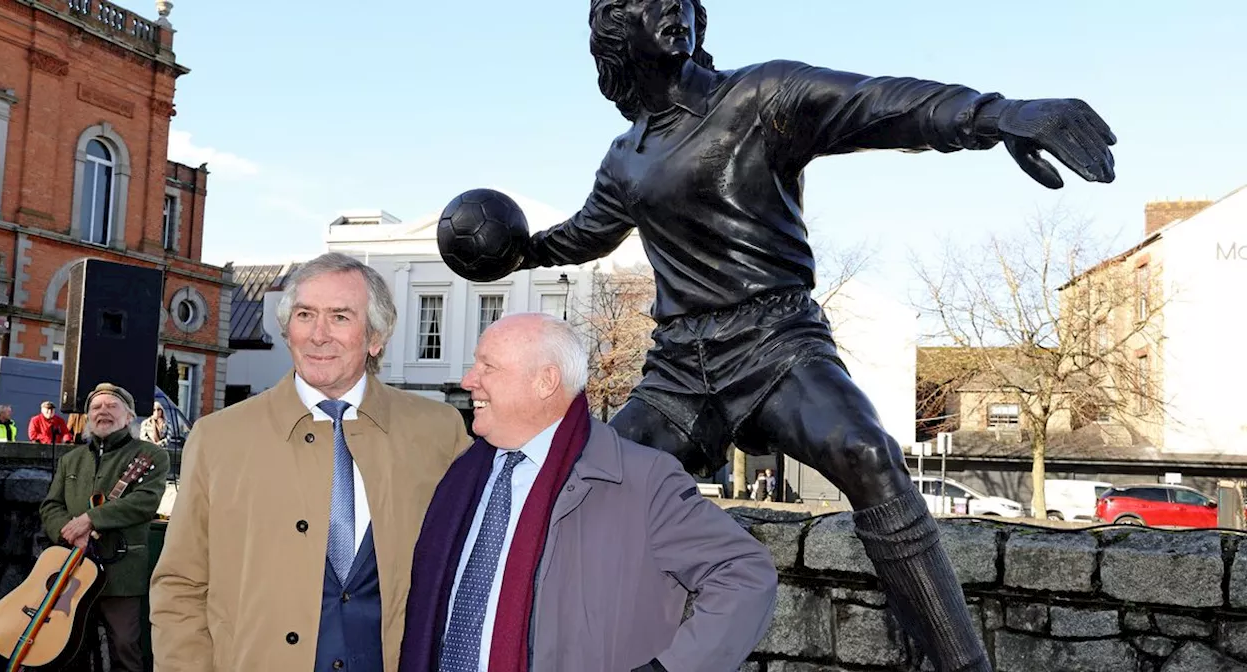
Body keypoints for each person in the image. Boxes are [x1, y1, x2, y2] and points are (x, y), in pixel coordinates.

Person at [473, 2, 1117, 670]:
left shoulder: (760, 97)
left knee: (866, 451)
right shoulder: (625, 158)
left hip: (776, 344)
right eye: (646, 0)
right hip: (680, 375)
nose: (671, 6)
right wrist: (520, 252)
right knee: (573, 484)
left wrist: (995, 114)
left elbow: (879, 105)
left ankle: (961, 664)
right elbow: (587, 232)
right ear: (614, 32)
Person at [399, 313, 777, 672]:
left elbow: (745, 573)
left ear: (545, 381)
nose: (468, 380)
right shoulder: (464, 475)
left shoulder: (641, 480)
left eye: (488, 367)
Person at [150, 253, 472, 672]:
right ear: (287, 331)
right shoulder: (218, 439)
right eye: (305, 315)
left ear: (376, 337)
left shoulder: (438, 432)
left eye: (340, 317)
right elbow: (180, 585)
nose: (319, 335)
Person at [37, 383, 169, 672]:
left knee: (125, 647)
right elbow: (50, 506)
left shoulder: (152, 455)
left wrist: (89, 520)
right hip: (73, 571)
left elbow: (144, 502)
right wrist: (68, 531)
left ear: (128, 416)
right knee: (69, 647)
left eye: (112, 406)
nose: (103, 412)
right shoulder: (71, 459)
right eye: (96, 407)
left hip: (121, 573)